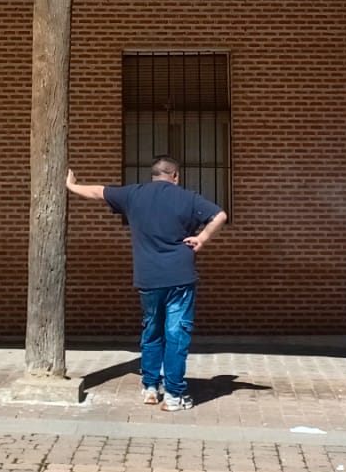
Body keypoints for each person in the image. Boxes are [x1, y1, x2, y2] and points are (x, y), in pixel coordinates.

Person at [66, 157, 226, 411]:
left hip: (148, 278)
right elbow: (220, 215)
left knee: (152, 331)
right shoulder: (188, 198)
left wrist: (72, 186)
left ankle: (150, 387)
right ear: (175, 176)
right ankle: (174, 395)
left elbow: (98, 191)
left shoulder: (133, 194)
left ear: (152, 176)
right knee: (176, 334)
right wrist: (202, 238)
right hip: (180, 277)